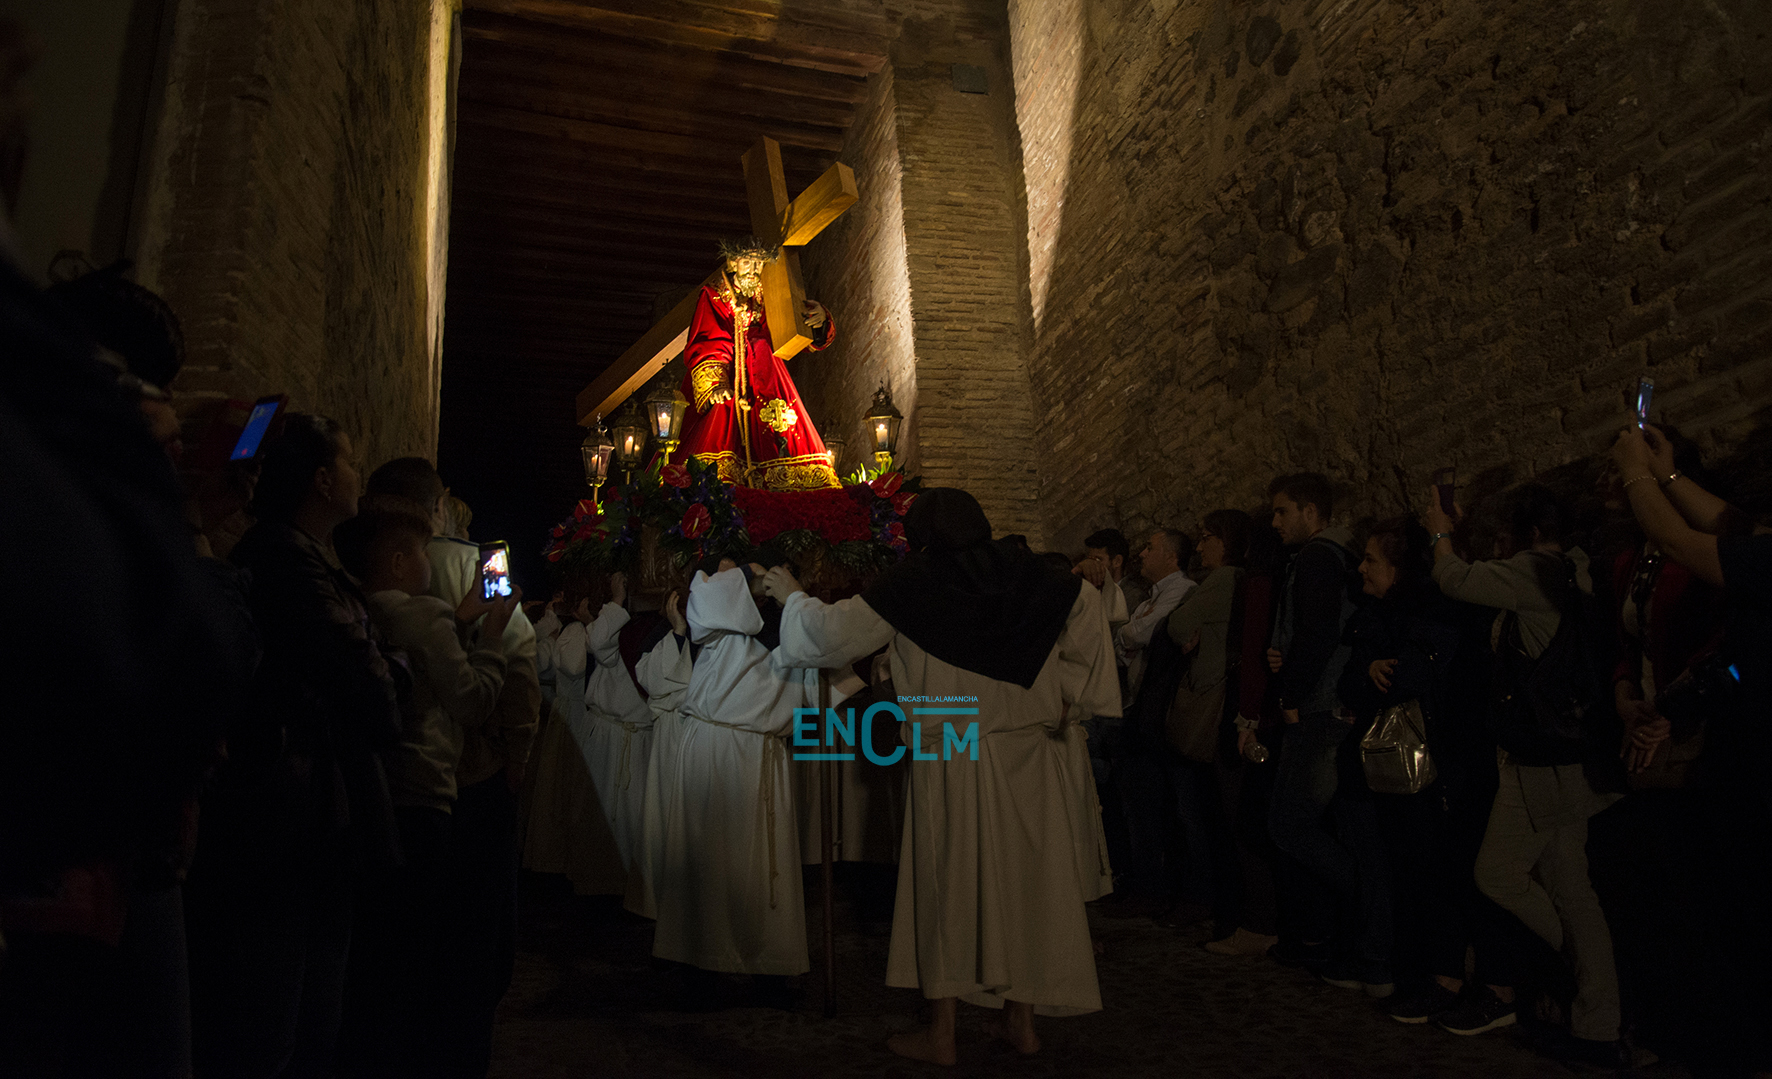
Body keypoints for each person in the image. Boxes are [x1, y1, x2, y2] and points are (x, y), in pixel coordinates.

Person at [768, 488, 1121, 1064]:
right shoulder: (1037, 578)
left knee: (947, 887)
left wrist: (793, 600)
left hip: (952, 749)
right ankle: (1021, 1024)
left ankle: (943, 1034)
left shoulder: (914, 583)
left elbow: (833, 636)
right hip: (1025, 753)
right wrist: (1071, 700)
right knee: (1026, 886)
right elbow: (1090, 615)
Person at [185, 415, 403, 1078]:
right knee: (278, 1028)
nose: (357, 476)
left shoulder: (307, 560)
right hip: (286, 825)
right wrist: (392, 667)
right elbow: (373, 692)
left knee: (308, 1018)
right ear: (320, 479)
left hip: (310, 821)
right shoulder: (284, 559)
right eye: (350, 462)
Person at [1427, 481, 1623, 1066]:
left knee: (1499, 875)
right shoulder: (1578, 571)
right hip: (1565, 753)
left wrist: (1439, 530)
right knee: (1570, 885)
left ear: (1532, 534)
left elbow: (1455, 579)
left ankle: (1595, 986)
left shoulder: (1535, 572)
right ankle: (1599, 1016)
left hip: (1541, 760)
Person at [365, 456, 538, 1077]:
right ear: (437, 503)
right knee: (473, 946)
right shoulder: (477, 564)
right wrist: (517, 752)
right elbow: (517, 666)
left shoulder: (367, 570)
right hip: (477, 773)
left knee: (405, 947)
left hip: (395, 783)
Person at [334, 505, 518, 1078]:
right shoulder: (425, 615)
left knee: (381, 951)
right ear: (395, 561)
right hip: (428, 795)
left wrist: (461, 618)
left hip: (376, 793)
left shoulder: (359, 606)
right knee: (422, 950)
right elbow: (470, 700)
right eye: (418, 553)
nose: (428, 564)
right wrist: (489, 639)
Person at [1612, 424, 1772, 1075]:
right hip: (1744, 758)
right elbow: (1737, 530)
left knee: (1751, 921)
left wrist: (1636, 475)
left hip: (1761, 767)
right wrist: (1670, 474)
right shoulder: (1760, 544)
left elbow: (1682, 541)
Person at [1339, 517, 1527, 1033]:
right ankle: (1444, 978)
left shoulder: (1436, 609)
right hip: (1418, 768)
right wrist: (1370, 668)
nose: (1361, 568)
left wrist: (1379, 670)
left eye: (1371, 559)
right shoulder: (1381, 613)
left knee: (1465, 874)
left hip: (1453, 761)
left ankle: (1490, 986)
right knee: (1429, 874)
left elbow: (1413, 675)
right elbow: (1354, 678)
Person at [651, 556, 840, 997]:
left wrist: (796, 600)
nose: (724, 571)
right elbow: (708, 593)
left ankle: (767, 961)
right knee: (708, 861)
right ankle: (700, 961)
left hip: (760, 755)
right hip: (713, 750)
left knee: (760, 866)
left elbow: (826, 673)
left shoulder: (795, 624)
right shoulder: (725, 620)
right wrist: (754, 582)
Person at [1264, 472, 1391, 996]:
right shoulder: (1336, 556)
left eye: (1282, 512)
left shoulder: (1319, 556)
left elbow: (1318, 631)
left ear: (1311, 513)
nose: (1274, 524)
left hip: (1322, 708)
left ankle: (1370, 917)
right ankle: (1357, 929)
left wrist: (1289, 691)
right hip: (1331, 703)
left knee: (1290, 824)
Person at [673, 237, 840, 490]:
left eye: (758, 263)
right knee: (721, 438)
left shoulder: (772, 292)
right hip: (730, 378)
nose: (752, 269)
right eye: (746, 261)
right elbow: (709, 338)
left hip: (769, 377)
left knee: (786, 440)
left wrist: (818, 319)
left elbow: (792, 325)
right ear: (732, 263)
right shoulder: (715, 295)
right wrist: (716, 383)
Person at [1165, 510, 1254, 949]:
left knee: (1214, 818)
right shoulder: (1238, 581)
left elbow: (1177, 625)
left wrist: (1191, 626)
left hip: (1213, 703)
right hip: (1225, 701)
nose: (1200, 547)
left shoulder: (1222, 580)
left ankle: (1227, 911)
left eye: (1206, 538)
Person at [578, 571, 654, 891]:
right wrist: (617, 601)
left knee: (631, 821)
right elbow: (597, 640)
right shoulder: (616, 628)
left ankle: (626, 887)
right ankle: (601, 884)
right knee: (601, 821)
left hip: (635, 737)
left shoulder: (651, 632)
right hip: (609, 735)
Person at [625, 584, 694, 920]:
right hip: (671, 737)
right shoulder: (660, 634)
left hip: (703, 738)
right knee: (666, 819)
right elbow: (653, 680)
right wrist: (678, 632)